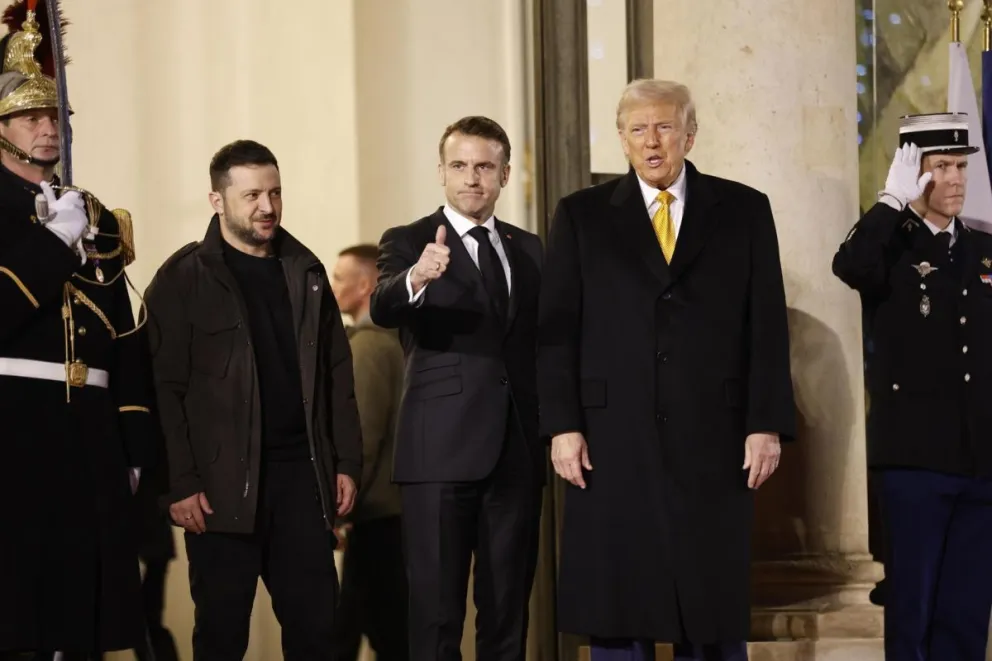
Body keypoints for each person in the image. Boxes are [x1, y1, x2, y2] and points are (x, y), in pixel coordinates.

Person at [537, 78, 796, 661]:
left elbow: (766, 326)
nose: (651, 142)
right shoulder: (581, 216)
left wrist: (766, 422)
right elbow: (556, 332)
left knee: (707, 610)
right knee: (618, 606)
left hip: (715, 439)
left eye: (664, 127)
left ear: (690, 134)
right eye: (638, 130)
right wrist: (562, 425)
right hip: (610, 441)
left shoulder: (745, 209)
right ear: (622, 140)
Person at [144, 139, 363, 661]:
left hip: (302, 484)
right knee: (221, 636)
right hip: (217, 494)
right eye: (252, 196)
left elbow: (338, 377)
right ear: (218, 201)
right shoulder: (180, 280)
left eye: (275, 193)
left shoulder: (306, 271)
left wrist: (346, 463)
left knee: (317, 632)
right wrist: (179, 483)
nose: (267, 207)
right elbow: (161, 392)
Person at [0, 2, 158, 660]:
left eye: (55, 115)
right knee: (19, 607)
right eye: (31, 116)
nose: (48, 127)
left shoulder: (90, 211)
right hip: (16, 424)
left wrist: (134, 437)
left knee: (86, 611)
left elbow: (124, 333)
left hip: (89, 428)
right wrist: (53, 244)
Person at [371, 116, 545, 661]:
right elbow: (381, 304)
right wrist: (417, 277)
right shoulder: (408, 241)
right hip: (438, 454)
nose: (472, 178)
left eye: (485, 167)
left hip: (517, 452)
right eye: (460, 166)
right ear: (442, 172)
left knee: (508, 611)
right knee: (436, 614)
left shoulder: (531, 249)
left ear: (505, 174)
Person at [832, 112, 992, 661]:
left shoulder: (983, 246)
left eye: (961, 165)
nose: (956, 178)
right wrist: (888, 203)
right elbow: (849, 267)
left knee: (967, 614)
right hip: (914, 463)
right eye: (941, 166)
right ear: (912, 172)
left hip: (980, 462)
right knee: (913, 612)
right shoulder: (887, 246)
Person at [331, 243, 409, 661]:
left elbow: (362, 435)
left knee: (368, 629)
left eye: (340, 278)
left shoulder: (368, 347)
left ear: (365, 286)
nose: (332, 286)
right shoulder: (394, 342)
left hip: (377, 515)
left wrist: (341, 509)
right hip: (393, 514)